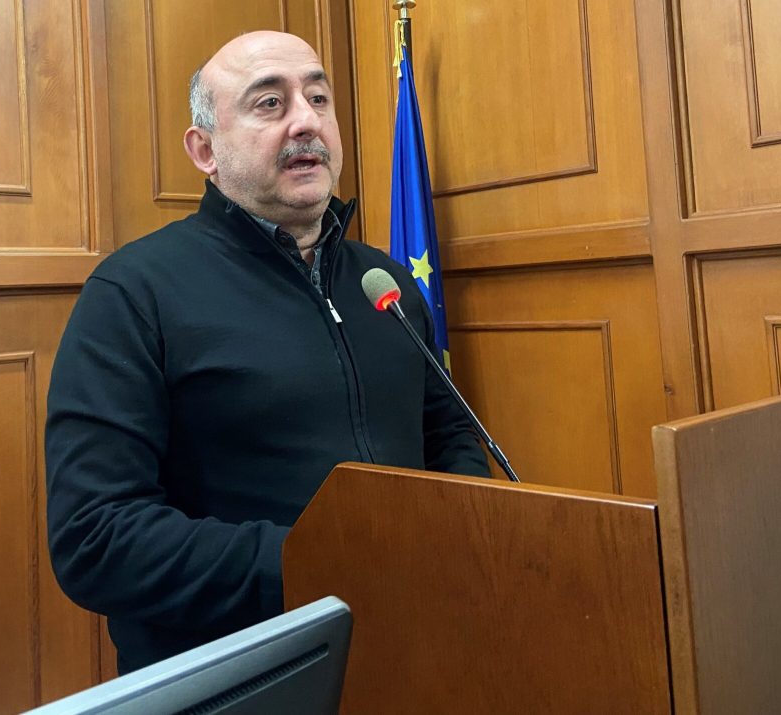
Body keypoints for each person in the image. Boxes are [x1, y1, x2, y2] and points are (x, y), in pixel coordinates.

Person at [44, 30, 490, 675]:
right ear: (205, 150)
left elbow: (448, 435)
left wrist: (463, 531)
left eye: (318, 98)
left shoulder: (384, 283)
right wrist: (320, 563)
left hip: (412, 640)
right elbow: (95, 537)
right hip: (247, 672)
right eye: (270, 103)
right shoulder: (134, 293)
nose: (305, 121)